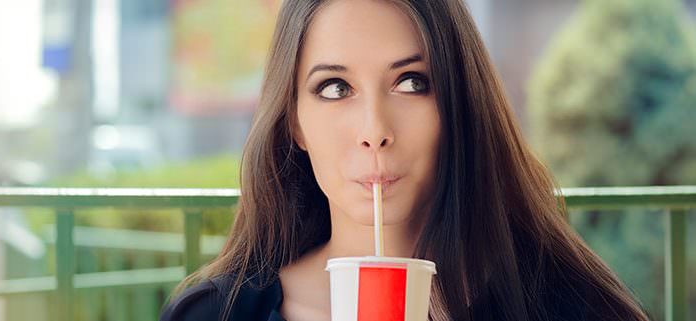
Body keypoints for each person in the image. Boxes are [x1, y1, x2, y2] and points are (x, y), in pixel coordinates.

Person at [160, 0, 651, 320]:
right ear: (294, 122)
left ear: (459, 104)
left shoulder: (568, 307)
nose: (375, 131)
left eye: (412, 82)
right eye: (335, 88)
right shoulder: (215, 313)